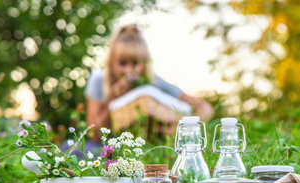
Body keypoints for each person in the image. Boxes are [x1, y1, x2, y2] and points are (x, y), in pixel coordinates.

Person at [84, 24, 213, 141]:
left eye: (135, 63)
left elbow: (205, 108)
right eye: (122, 63)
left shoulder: (152, 81)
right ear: (111, 62)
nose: (129, 71)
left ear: (144, 63)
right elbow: (92, 133)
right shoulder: (98, 80)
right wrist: (113, 97)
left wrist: (182, 129)